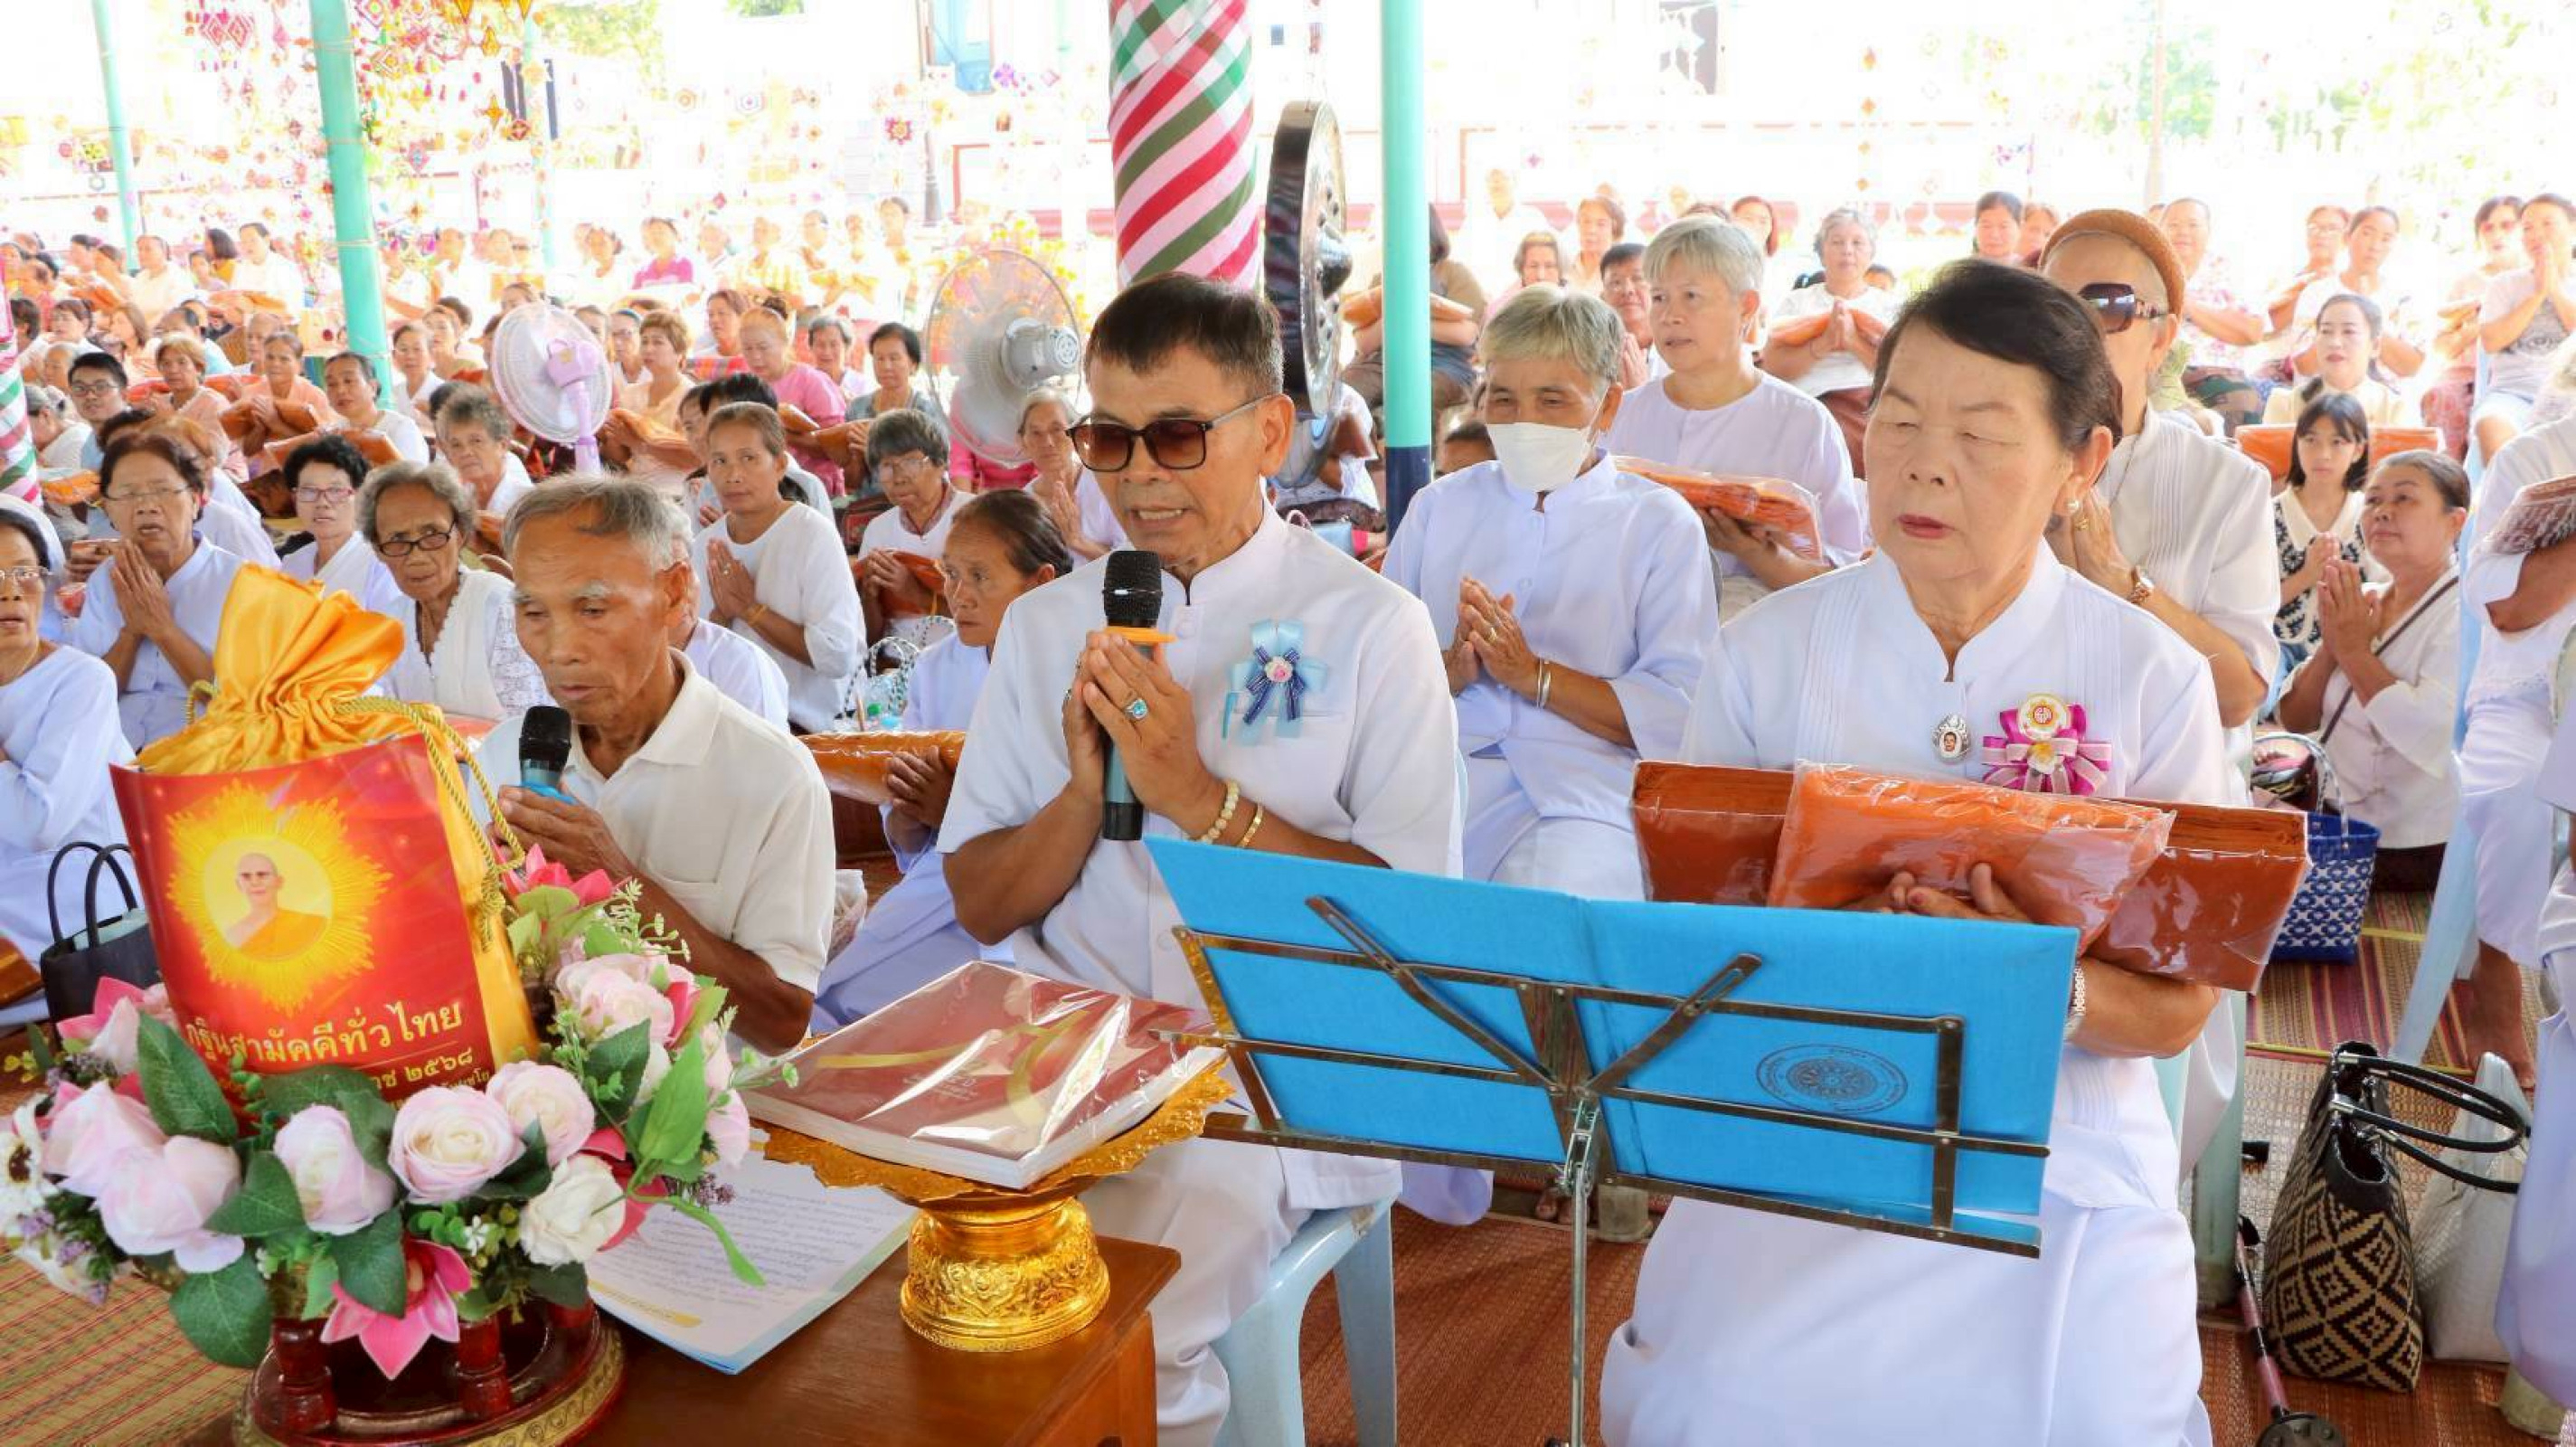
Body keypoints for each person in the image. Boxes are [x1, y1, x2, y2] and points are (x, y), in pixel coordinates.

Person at [1602, 259, 2230, 1446]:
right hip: (1805, 1100)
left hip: (2057, 1137)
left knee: (2094, 1413)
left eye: (1982, 435)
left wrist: (2035, 986)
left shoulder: (2148, 678)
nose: (1922, 465)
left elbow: (2172, 1012)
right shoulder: (1765, 655)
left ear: (2078, 466)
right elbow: (1689, 944)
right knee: (1720, 1399)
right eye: (1895, 423)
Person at [941, 272, 1460, 1446]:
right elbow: (980, 901)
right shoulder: (1043, 625)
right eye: (1107, 439)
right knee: (931, 1293)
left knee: (1119, 1330)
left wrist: (1198, 798)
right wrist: (1088, 792)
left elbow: (1412, 927)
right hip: (1055, 1043)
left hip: (1265, 1068)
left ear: (1269, 430)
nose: (1137, 473)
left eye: (1175, 435)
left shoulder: (1368, 627)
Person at [1383, 283, 1715, 903]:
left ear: (1608, 405)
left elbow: (1680, 714)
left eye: (1552, 400)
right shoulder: (1439, 507)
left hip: (1581, 797)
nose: (1523, 420)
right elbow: (1374, 675)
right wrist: (1447, 672)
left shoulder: (1656, 523)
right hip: (1431, 780)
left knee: (1553, 915)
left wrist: (1533, 675)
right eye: (1503, 399)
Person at [477, 478, 833, 1054]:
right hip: (539, 1106)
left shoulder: (772, 776)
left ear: (673, 594)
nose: (560, 647)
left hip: (715, 1118)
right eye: (534, 612)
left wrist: (618, 882)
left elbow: (781, 1023)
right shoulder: (498, 758)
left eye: (592, 608)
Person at [814, 492, 1075, 1024]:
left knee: (948, 1017)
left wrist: (958, 812)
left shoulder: (1078, 670)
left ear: (1041, 583)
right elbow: (910, 836)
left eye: (980, 577)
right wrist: (911, 809)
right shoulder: (937, 667)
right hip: (943, 887)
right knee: (834, 1000)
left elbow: (1076, 817)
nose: (959, 596)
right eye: (950, 574)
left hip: (1047, 905)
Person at [2039, 213, 2279, 736]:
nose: (2074, 331)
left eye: (2106, 306)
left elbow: (2239, 700)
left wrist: (2124, 584)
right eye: (2053, 310)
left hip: (2169, 798)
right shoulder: (1993, 460)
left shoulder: (2226, 484)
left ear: (2160, 339)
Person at [1607, 220, 1862, 615]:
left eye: (1691, 296)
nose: (1670, 316)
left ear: (1746, 307)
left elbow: (1842, 580)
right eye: (1659, 298)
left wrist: (1758, 554)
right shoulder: (1624, 415)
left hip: (1760, 637)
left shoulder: (1802, 423)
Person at [2275, 450, 2467, 893]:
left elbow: (2431, 731)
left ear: (2454, 522)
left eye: (2405, 499)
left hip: (2411, 843)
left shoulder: (2463, 612)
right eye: (2374, 499)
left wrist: (2354, 651)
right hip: (2332, 820)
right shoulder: (2364, 597)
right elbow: (2295, 719)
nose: (2383, 510)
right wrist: (2332, 649)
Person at [2453, 411, 2576, 1088]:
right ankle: (2496, 961)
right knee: (2520, 791)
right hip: (2526, 694)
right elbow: (2509, 608)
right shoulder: (2533, 457)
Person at [0, 508, 133, 961]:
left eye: (23, 572)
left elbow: (38, 826)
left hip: (75, 902)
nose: (9, 591)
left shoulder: (81, 680)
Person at [66, 431, 249, 750]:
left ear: (195, 499)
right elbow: (91, 693)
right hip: (114, 750)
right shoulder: (104, 580)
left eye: (162, 490)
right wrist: (131, 632)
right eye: (127, 494)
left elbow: (242, 706)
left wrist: (162, 628)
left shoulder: (241, 582)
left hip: (206, 755)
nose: (145, 507)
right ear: (107, 509)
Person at [691, 402, 863, 733]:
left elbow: (835, 656)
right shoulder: (707, 543)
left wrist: (751, 610)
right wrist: (726, 616)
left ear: (780, 464)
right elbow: (699, 652)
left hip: (809, 728)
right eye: (719, 461)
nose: (733, 475)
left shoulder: (811, 533)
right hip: (732, 723)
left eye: (749, 458)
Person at [363, 461, 550, 724]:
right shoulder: (391, 622)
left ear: (460, 534)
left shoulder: (497, 604)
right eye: (397, 540)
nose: (417, 556)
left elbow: (530, 725)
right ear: (378, 549)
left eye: (433, 534)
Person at [1761, 207, 1898, 472]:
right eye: (1837, 242)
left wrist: (1852, 342)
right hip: (1804, 400)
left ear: (1871, 253)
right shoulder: (1797, 301)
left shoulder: (1889, 307)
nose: (1847, 250)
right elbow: (1773, 367)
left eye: (1858, 243)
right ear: (1822, 252)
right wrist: (1822, 344)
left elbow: (1898, 374)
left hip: (1866, 403)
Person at [1345, 207, 1486, 418]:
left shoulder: (1453, 273)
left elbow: (1466, 334)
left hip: (1442, 367)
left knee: (1412, 405)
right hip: (1382, 364)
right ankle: (1367, 444)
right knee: (1344, 397)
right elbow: (1364, 344)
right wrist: (1392, 322)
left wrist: (1412, 321)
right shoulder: (1381, 280)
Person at [2271, 392, 2374, 673]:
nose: (2323, 455)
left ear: (2358, 450)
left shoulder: (2372, 518)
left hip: (2351, 650)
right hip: (2275, 645)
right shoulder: (2267, 515)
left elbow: (2389, 597)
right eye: (2311, 440)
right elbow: (2247, 605)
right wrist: (2306, 576)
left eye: (2337, 442)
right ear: (2297, 444)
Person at [2474, 194, 2576, 463]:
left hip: (2569, 397)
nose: (2536, 234)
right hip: (2513, 395)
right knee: (2491, 426)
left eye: (2547, 224)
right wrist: (2537, 296)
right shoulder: (2504, 284)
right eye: (2528, 227)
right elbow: (2491, 341)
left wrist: (2553, 288)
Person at [855, 409, 966, 651]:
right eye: (887, 466)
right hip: (896, 667)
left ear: (941, 463)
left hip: (962, 658)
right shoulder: (878, 529)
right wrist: (870, 598)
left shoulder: (972, 516)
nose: (898, 477)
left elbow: (994, 612)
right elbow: (870, 638)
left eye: (911, 462)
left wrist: (917, 594)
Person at [2423, 195, 2525, 457]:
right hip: (2465, 376)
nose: (2497, 235)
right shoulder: (2467, 281)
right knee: (2440, 395)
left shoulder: (2536, 278)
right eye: (2488, 227)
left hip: (2517, 377)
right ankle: (2447, 482)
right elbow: (2441, 348)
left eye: (2506, 225)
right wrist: (2472, 330)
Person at [2157, 198, 2266, 430]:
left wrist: (2189, 306)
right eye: (2174, 224)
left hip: (2218, 373)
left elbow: (2253, 332)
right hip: (2160, 370)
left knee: (2242, 401)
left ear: (2208, 230)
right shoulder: (2149, 270)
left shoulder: (2229, 270)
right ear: (2160, 230)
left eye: (2192, 224)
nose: (2182, 232)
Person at [2284, 206, 2425, 383]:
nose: (2375, 246)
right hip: (2323, 402)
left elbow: (2411, 367)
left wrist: (2370, 323)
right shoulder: (2317, 293)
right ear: (2348, 237)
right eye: (2367, 234)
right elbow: (2304, 365)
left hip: (2380, 404)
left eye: (2386, 239)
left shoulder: (2403, 299)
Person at [275, 435, 397, 610]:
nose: (322, 502)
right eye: (309, 491)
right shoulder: (292, 564)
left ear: (358, 495)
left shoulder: (381, 563)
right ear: (295, 498)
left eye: (335, 490)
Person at [735, 307, 845, 497]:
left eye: (763, 347)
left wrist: (780, 432)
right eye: (748, 349)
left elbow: (837, 449)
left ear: (784, 343)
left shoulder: (811, 381)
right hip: (760, 487)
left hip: (810, 487)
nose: (755, 357)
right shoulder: (744, 384)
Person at [2263, 294, 2411, 425]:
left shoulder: (2394, 408)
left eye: (2349, 332)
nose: (2335, 342)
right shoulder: (2286, 404)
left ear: (2375, 346)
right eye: (2326, 331)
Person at [845, 322, 945, 503]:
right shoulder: (857, 409)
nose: (886, 366)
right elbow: (852, 481)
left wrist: (876, 446)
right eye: (879, 358)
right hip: (868, 505)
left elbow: (937, 471)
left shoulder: (927, 412)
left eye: (894, 358)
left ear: (913, 364)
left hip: (915, 503)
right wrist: (857, 457)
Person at [1020, 388, 1123, 561]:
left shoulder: (1104, 482)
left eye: (1056, 429)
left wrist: (1078, 541)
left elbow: (1134, 569)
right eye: (1036, 433)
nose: (1048, 442)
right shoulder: (1023, 505)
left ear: (1075, 435)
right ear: (1024, 443)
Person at [432, 386, 534, 515]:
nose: (466, 452)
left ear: (502, 445)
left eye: (476, 441)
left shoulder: (529, 504)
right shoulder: (451, 501)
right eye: (456, 445)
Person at [315, 352, 430, 462]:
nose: (340, 390)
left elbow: (414, 476)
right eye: (332, 384)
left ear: (373, 387)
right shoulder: (335, 432)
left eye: (348, 381)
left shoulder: (401, 428)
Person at [1462, 166, 1561, 288]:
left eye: (1503, 178)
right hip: (1480, 295)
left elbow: (1549, 258)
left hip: (1524, 294)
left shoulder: (1532, 217)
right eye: (1492, 179)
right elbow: (1461, 262)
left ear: (1514, 182)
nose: (1497, 183)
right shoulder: (1474, 220)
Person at [124, 234, 196, 324]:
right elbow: (133, 306)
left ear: (164, 252)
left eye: (148, 249)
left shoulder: (177, 276)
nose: (141, 254)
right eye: (139, 249)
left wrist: (144, 331)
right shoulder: (141, 276)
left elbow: (171, 312)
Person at [1571, 194, 1626, 294]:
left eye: (1601, 224)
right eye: (1586, 221)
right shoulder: (1564, 267)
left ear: (1614, 230)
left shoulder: (1623, 271)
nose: (1591, 230)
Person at [1970, 190, 2024, 263]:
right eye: (1986, 226)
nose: (1994, 235)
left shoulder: (2031, 270)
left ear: (2020, 228)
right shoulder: (1960, 271)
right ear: (1975, 227)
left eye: (2004, 226)